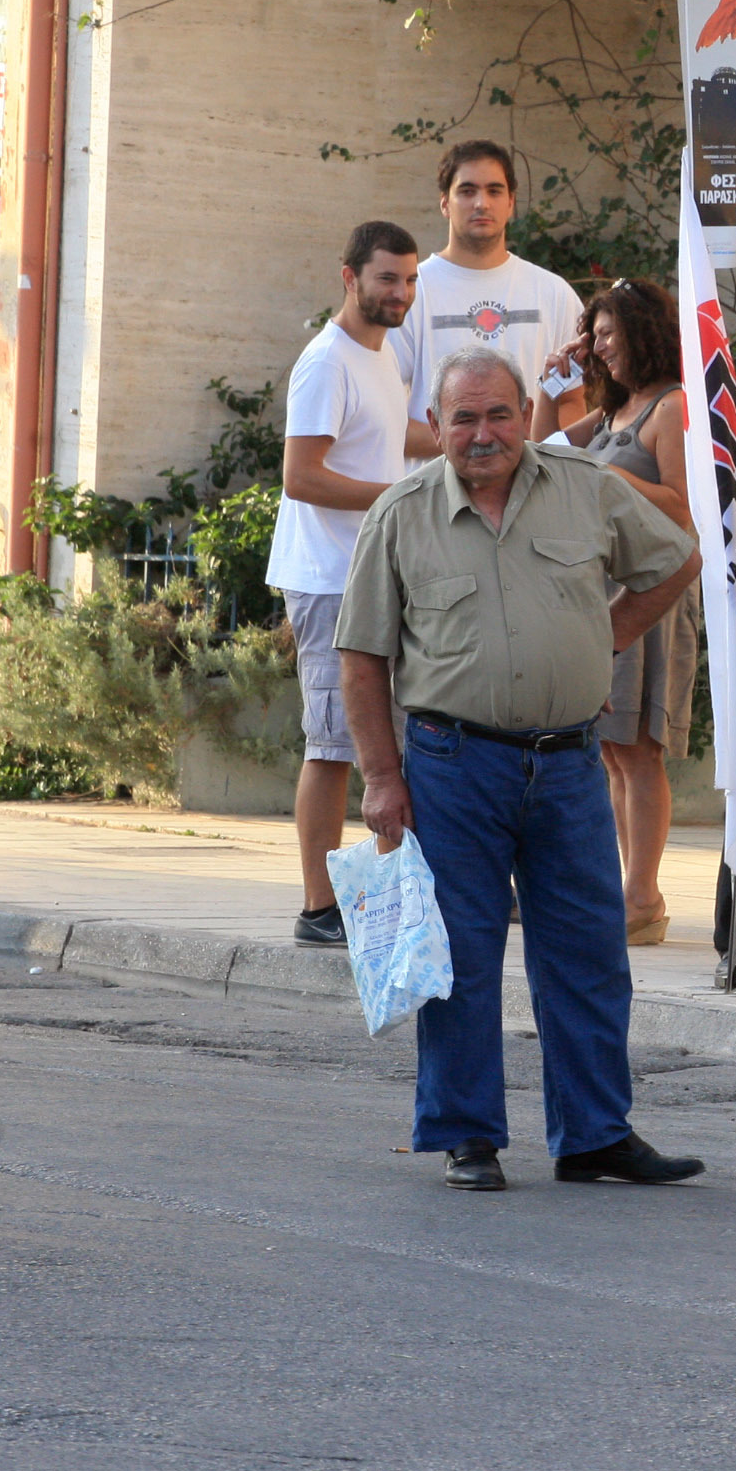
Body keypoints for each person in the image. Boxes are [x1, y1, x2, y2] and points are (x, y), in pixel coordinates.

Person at [335, 346, 703, 1192]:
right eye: (463, 418)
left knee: (589, 953)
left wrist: (606, 638)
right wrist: (382, 778)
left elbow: (677, 559)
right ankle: (467, 1135)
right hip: (452, 768)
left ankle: (595, 1135)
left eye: (500, 414)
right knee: (459, 958)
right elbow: (360, 658)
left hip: (568, 765)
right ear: (436, 425)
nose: (484, 433)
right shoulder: (401, 514)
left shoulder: (585, 487)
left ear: (525, 416)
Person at [267, 220, 419, 946]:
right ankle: (318, 909)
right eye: (387, 278)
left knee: (391, 743)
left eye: (410, 280)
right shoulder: (326, 362)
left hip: (372, 574)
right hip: (328, 579)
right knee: (331, 745)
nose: (401, 293)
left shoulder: (381, 356)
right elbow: (301, 477)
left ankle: (393, 894)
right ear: (349, 277)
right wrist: (396, 497)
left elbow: (395, 439)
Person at [535, 279, 699, 946]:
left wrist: (612, 478)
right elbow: (544, 457)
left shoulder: (671, 406)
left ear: (641, 331)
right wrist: (553, 388)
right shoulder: (611, 413)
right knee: (609, 750)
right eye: (592, 335)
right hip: (600, 595)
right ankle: (627, 891)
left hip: (651, 594)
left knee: (638, 750)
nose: (598, 345)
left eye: (606, 333)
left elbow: (683, 508)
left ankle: (643, 896)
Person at [391, 139, 587, 438]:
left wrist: (519, 449)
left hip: (529, 470)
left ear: (510, 202)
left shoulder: (554, 294)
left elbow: (572, 401)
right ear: (445, 203)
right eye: (467, 191)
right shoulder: (409, 292)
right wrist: (473, 443)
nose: (481, 203)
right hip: (437, 470)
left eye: (494, 191)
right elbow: (383, 418)